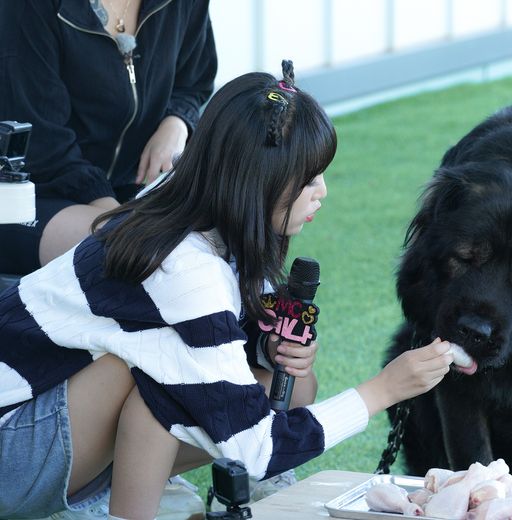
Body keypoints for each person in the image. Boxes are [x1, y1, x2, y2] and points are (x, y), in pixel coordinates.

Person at [0, 63, 455, 520]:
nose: (323, 192)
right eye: (309, 178)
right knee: (152, 369)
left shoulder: (189, 201)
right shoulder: (187, 269)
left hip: (41, 426)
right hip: (11, 453)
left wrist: (265, 345)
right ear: (258, 182)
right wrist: (384, 390)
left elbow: (284, 395)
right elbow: (259, 450)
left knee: (280, 385)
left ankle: (134, 500)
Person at [0, 0, 217, 275]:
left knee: (220, 241)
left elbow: (194, 78)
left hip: (130, 190)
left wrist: (176, 122)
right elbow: (44, 143)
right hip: (30, 194)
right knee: (144, 252)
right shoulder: (29, 7)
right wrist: (117, 214)